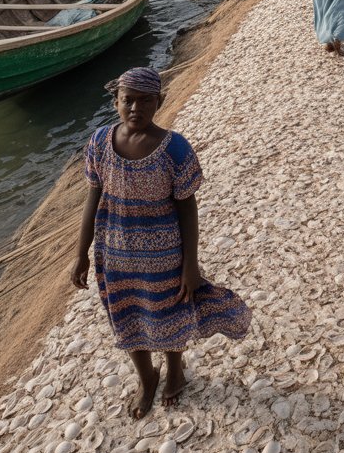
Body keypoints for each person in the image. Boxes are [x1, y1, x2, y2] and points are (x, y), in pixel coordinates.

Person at [71, 68, 252, 419]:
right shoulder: (99, 143)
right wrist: (81, 254)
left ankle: (174, 370)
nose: (135, 108)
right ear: (115, 101)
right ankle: (146, 378)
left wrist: (190, 265)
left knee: (170, 316)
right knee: (126, 317)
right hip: (115, 254)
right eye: (128, 100)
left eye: (145, 101)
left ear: (160, 102)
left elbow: (187, 208)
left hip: (165, 256)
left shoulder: (175, 148)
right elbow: (93, 198)